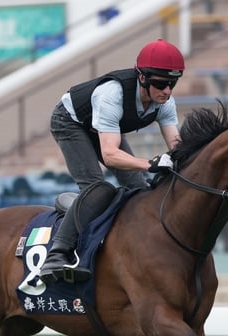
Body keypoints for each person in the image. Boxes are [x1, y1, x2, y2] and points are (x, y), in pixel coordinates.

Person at [39, 38, 185, 284]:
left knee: (139, 188)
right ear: (142, 78)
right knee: (96, 189)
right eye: (161, 84)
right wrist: (151, 163)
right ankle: (56, 254)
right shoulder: (112, 94)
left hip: (102, 128)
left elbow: (177, 147)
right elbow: (110, 155)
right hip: (71, 122)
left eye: (172, 83)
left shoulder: (165, 102)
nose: (167, 91)